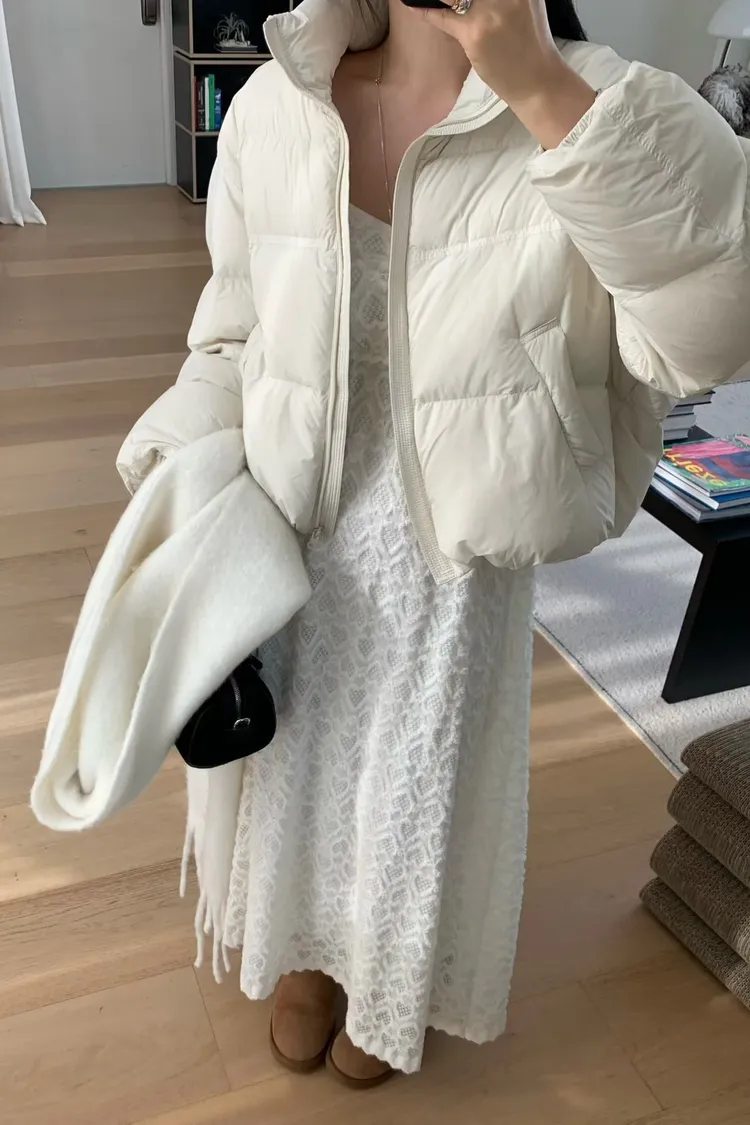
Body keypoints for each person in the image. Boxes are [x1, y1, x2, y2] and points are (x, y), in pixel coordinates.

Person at [118, 0, 750, 1088]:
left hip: (456, 560)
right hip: (298, 526)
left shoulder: (607, 102)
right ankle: (303, 947)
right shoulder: (276, 100)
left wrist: (543, 92)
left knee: (415, 781)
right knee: (301, 758)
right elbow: (232, 330)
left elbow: (710, 334)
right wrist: (168, 467)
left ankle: (387, 977)